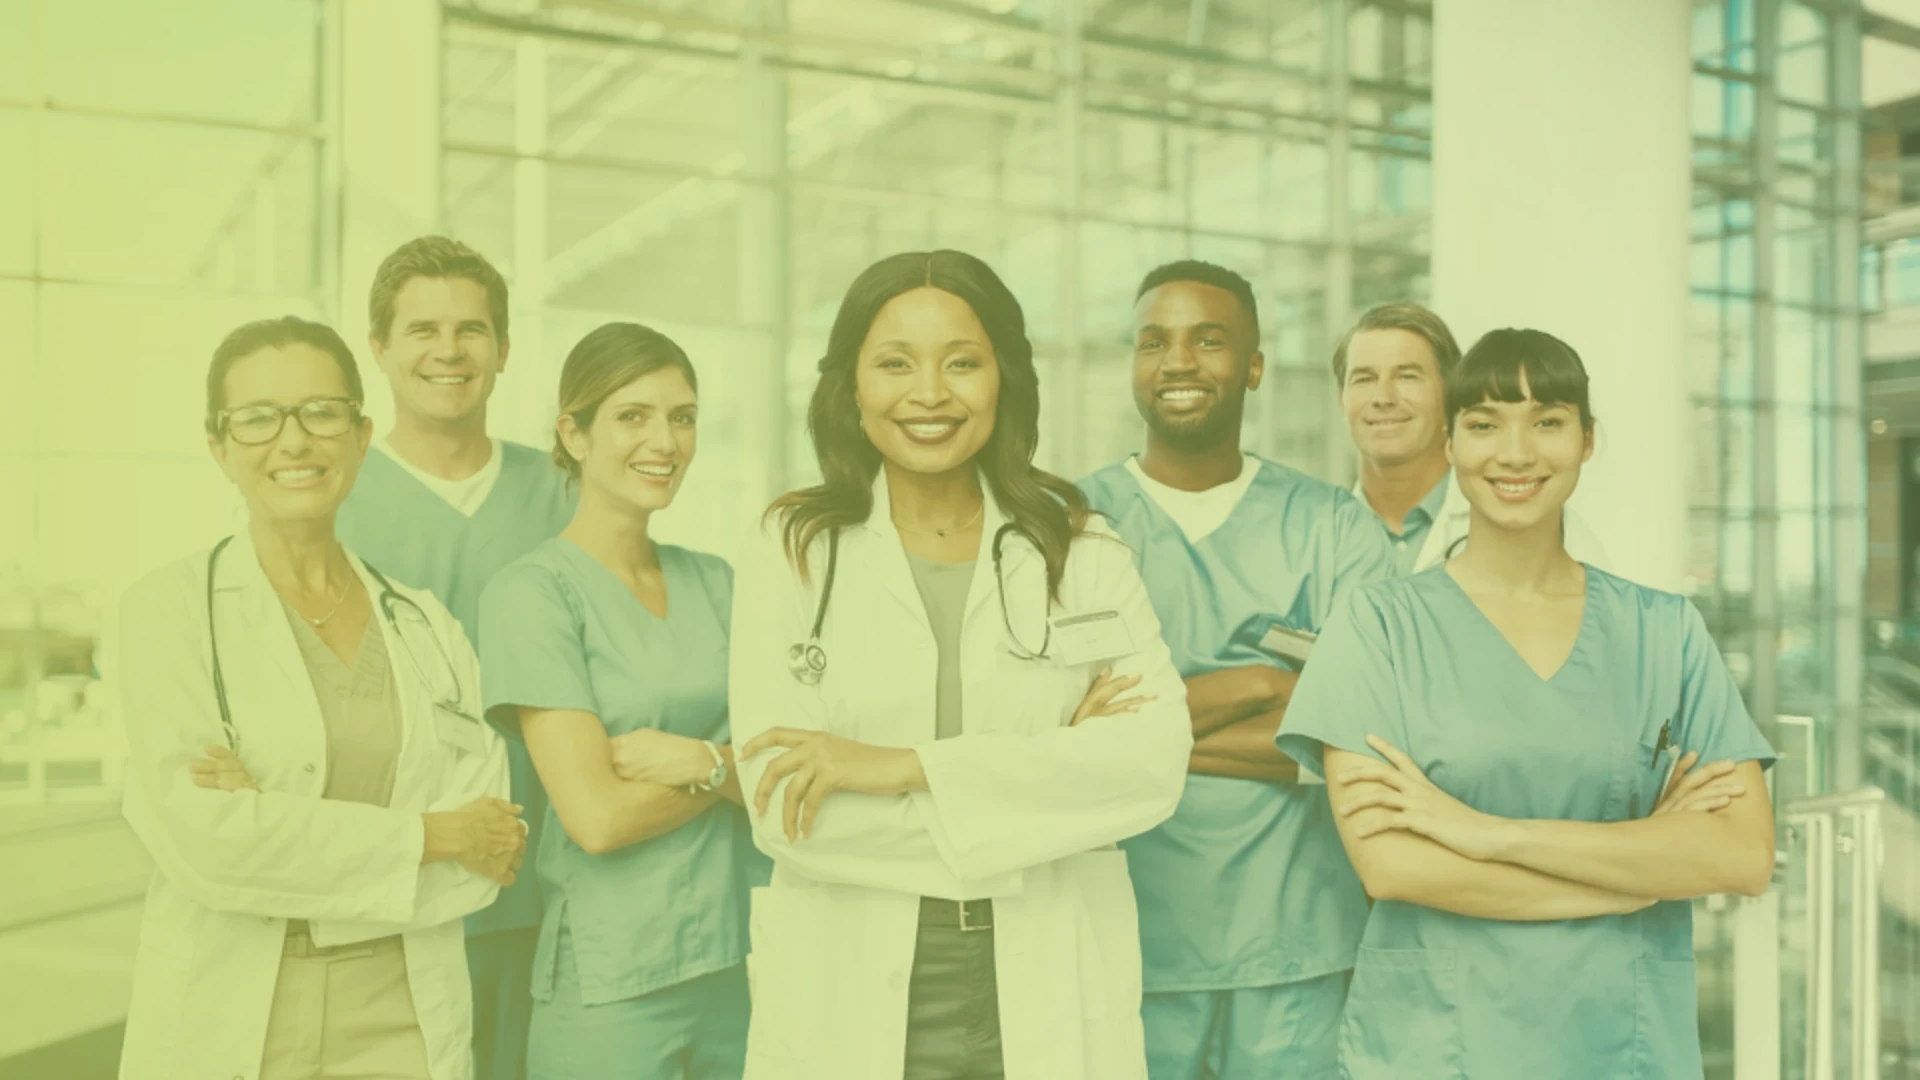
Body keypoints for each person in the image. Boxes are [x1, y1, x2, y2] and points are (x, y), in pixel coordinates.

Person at [728, 249, 1193, 1080]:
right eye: (895, 363)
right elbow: (785, 809)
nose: (930, 393)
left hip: (1045, 971)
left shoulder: (1080, 546)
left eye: (962, 363)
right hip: (850, 975)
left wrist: (898, 767)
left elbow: (1151, 765)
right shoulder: (793, 548)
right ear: (851, 384)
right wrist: (1051, 778)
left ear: (1003, 376)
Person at [1276, 328, 1777, 1079]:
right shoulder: (1376, 627)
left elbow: (1741, 854)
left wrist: (1484, 833)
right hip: (1436, 1049)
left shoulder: (1665, 631)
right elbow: (1393, 866)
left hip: (1623, 1045)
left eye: (1547, 421)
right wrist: (1635, 878)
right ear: (1450, 444)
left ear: (1587, 440)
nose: (1515, 453)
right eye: (1484, 424)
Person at [110, 315, 525, 1080]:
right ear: (219, 448)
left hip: (406, 1010)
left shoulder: (426, 622)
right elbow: (210, 845)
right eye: (258, 418)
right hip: (236, 1009)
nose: (293, 440)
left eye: (321, 412)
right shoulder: (167, 611)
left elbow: (490, 847)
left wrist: (275, 821)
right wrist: (433, 835)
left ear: (361, 437)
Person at [1078, 261, 1396, 1080]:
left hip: (1295, 948)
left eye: (1208, 340)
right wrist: (1267, 686)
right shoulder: (1068, 523)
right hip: (1126, 941)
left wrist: (1138, 738)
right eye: (1154, 342)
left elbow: (1360, 733)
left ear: (1254, 367)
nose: (1178, 361)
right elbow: (1053, 729)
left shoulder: (1334, 527)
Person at [478, 324, 753, 1080]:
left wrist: (696, 760)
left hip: (735, 967)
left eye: (682, 417)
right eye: (633, 416)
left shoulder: (719, 583)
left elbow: (793, 768)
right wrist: (725, 773)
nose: (665, 441)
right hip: (609, 986)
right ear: (574, 433)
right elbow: (596, 818)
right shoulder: (533, 595)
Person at [337, 236, 574, 1080]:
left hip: (544, 881)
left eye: (471, 330)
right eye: (422, 330)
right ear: (379, 348)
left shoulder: (566, 490)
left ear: (504, 349)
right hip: (388, 886)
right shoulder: (333, 494)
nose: (449, 351)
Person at [1334, 301, 1608, 571]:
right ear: (1340, 399)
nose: (1383, 398)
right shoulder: (1323, 529)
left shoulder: (1552, 530)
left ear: (1451, 394)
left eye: (1407, 376)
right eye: (1364, 379)